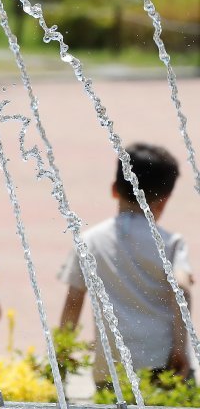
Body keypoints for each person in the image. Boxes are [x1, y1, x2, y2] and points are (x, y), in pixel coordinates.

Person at [58, 143, 193, 389]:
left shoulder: (89, 241)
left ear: (113, 190)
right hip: (163, 361)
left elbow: (73, 303)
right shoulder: (171, 243)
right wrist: (180, 347)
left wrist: (62, 352)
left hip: (112, 366)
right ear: (163, 202)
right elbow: (182, 287)